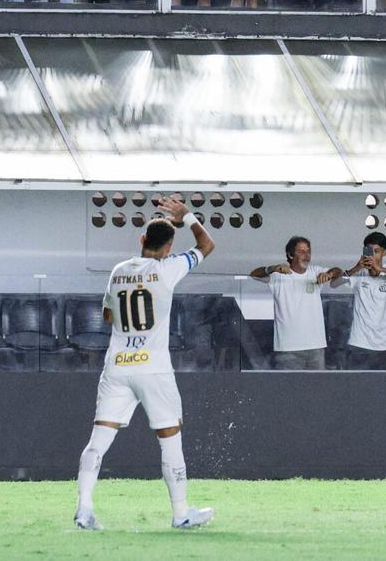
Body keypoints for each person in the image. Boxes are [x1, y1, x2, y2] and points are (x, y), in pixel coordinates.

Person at [74, 195, 216, 532]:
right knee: (169, 438)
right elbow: (207, 244)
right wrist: (188, 216)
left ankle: (84, 509)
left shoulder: (119, 271)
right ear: (168, 248)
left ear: (141, 240)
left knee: (98, 440)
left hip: (118, 366)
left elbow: (108, 315)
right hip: (153, 366)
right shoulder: (168, 269)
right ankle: (181, 513)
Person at [250, 236, 342, 371]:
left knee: (318, 390)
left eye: (308, 251)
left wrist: (329, 273)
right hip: (288, 349)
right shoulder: (278, 274)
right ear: (290, 255)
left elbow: (338, 271)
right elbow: (253, 274)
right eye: (302, 251)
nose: (307, 255)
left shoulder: (315, 272)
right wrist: (272, 268)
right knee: (289, 391)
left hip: (316, 347)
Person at [331, 230, 386, 370]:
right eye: (369, 251)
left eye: (376, 251)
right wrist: (356, 267)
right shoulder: (359, 273)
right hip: (359, 343)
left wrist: (381, 269)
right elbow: (334, 284)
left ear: (384, 253)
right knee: (357, 388)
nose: (372, 255)